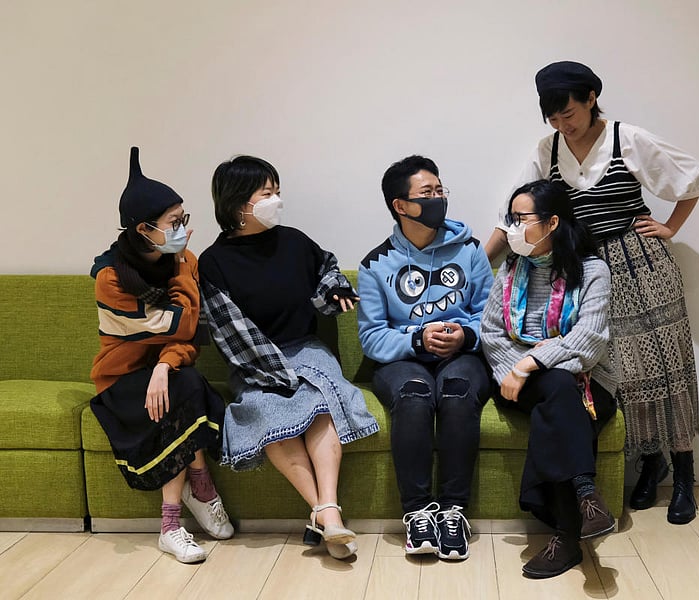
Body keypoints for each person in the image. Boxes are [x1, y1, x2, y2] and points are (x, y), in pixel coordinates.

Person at [485, 61, 699, 524]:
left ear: (591, 98)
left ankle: (682, 473)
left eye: (569, 112)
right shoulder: (546, 149)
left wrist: (670, 227)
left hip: (639, 264)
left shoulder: (627, 138)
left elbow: (693, 179)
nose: (563, 124)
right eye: (553, 117)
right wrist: (474, 267)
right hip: (581, 268)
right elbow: (512, 214)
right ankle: (650, 465)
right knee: (616, 376)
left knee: (665, 368)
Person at [198, 155, 378, 561]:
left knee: (320, 403)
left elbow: (327, 271)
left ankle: (326, 510)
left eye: (277, 191)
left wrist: (334, 290)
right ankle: (324, 512)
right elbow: (232, 332)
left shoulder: (295, 241)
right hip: (255, 361)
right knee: (267, 412)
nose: (277, 200)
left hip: (306, 347)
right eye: (267, 194)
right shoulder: (213, 263)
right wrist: (279, 373)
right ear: (239, 204)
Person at [90, 147, 233, 564]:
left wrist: (164, 366)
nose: (183, 230)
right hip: (120, 381)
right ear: (144, 229)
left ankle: (195, 494)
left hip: (165, 376)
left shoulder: (179, 260)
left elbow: (190, 337)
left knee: (184, 383)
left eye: (183, 219)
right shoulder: (111, 278)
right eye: (174, 223)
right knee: (184, 389)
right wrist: (183, 266)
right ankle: (177, 517)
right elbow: (177, 326)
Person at [357, 155, 493, 561]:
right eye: (427, 193)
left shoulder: (470, 249)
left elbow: (491, 317)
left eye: (440, 191)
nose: (438, 199)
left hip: (463, 354)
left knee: (456, 390)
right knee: (415, 395)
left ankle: (453, 512)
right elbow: (372, 336)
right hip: (403, 359)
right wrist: (417, 340)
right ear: (401, 206)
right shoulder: (375, 265)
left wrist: (465, 334)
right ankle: (417, 512)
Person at [481, 179, 618, 579]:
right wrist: (520, 369)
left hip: (587, 379)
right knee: (557, 388)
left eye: (521, 219)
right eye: (511, 219)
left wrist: (532, 364)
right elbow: (491, 334)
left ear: (552, 222)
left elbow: (588, 340)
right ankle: (585, 494)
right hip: (515, 381)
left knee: (558, 392)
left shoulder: (593, 271)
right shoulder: (510, 267)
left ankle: (567, 536)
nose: (512, 228)